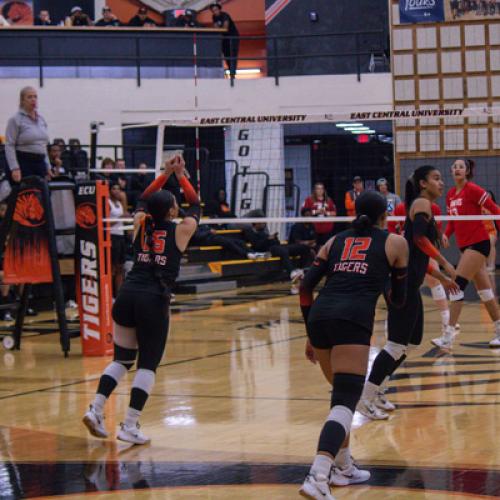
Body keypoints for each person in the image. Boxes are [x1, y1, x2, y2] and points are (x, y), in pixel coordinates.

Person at [298, 191, 409, 499]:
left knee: (340, 400)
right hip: (353, 318)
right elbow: (398, 301)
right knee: (345, 401)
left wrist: (310, 330)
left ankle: (343, 466)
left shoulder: (334, 241)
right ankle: (318, 475)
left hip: (320, 317)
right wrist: (386, 279)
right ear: (384, 214)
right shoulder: (395, 243)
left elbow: (306, 286)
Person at [83, 155, 199, 444]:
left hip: (127, 295)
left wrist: (164, 174)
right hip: (153, 300)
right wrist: (180, 175)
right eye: (174, 203)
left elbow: (144, 199)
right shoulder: (182, 230)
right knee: (147, 364)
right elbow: (196, 203)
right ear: (173, 211)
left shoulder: (139, 223)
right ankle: (130, 425)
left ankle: (96, 409)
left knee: (122, 359)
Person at [357, 166, 457, 420]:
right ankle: (365, 397)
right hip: (400, 286)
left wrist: (443, 279)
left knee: (411, 343)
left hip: (410, 285)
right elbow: (422, 240)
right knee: (396, 344)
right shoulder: (422, 203)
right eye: (436, 178)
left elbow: (418, 256)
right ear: (423, 183)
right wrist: (446, 263)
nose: (441, 183)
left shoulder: (423, 206)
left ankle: (377, 388)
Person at [432, 159, 500, 349]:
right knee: (485, 292)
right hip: (465, 246)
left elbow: (496, 211)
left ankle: (448, 336)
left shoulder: (474, 190)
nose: (457, 169)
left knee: (457, 286)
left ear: (467, 171)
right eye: (454, 167)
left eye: (461, 167)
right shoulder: (451, 194)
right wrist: (446, 234)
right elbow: (454, 221)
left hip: (478, 244)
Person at [388, 201, 453, 336]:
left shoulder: (433, 207)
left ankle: (447, 320)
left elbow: (435, 231)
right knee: (408, 284)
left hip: (424, 249)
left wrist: (441, 236)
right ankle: (397, 323)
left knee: (433, 280)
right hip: (405, 250)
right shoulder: (401, 208)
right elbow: (391, 226)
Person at [243, 212, 313, 286]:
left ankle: (301, 270)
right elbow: (257, 246)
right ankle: (292, 272)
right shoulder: (249, 232)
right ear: (256, 223)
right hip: (267, 250)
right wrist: (268, 239)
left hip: (276, 247)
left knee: (304, 248)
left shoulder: (263, 231)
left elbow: (275, 242)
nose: (264, 223)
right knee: (283, 251)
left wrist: (274, 238)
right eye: (262, 222)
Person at [5, 86, 51, 183]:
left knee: (43, 195)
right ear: (22, 100)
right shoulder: (15, 120)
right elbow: (9, 145)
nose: (33, 99)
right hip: (24, 162)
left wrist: (48, 166)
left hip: (40, 163)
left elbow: (43, 145)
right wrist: (14, 168)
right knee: (28, 196)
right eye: (29, 97)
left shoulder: (41, 120)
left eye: (35, 96)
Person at [210, 2, 239, 79]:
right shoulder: (214, 17)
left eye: (216, 10)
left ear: (219, 9)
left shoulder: (225, 15)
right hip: (224, 38)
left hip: (232, 37)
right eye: (213, 11)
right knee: (226, 56)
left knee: (232, 55)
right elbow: (216, 28)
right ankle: (231, 73)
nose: (215, 12)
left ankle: (233, 74)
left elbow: (225, 28)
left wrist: (219, 29)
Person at [109, 183, 128, 297]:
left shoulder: (120, 203)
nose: (116, 191)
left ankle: (119, 294)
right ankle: (110, 294)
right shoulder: (108, 203)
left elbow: (123, 218)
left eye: (118, 189)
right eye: (114, 188)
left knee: (120, 267)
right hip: (112, 236)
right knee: (112, 267)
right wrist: (120, 218)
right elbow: (106, 222)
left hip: (121, 236)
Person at [483, 191, 497, 293]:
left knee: (490, 244)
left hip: (491, 231)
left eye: (489, 196)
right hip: (481, 232)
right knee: (481, 245)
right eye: (485, 196)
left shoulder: (494, 207)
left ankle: (491, 265)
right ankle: (483, 266)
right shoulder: (478, 206)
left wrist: (490, 213)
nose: (487, 197)